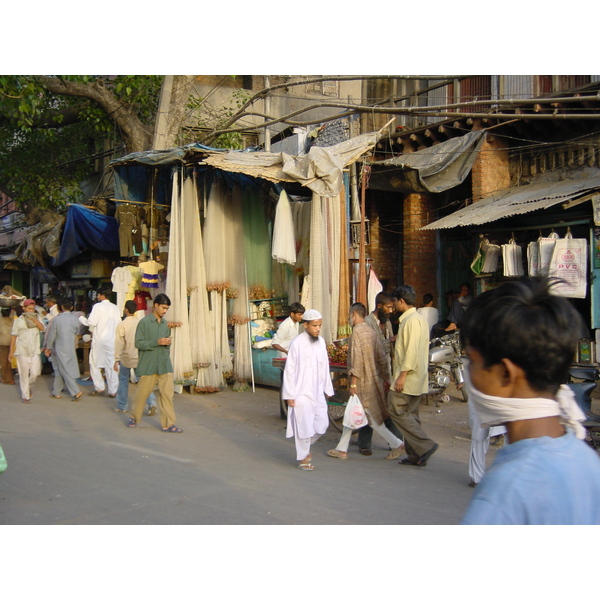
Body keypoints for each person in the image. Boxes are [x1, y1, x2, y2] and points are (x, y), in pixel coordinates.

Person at [460, 278, 600, 525]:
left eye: (472, 361)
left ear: (506, 374)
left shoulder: (506, 492)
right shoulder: (586, 460)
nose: (469, 373)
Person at [327, 303, 404, 461]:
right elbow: (382, 358)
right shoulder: (371, 331)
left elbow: (356, 360)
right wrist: (385, 378)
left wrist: (353, 383)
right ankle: (341, 448)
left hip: (361, 383)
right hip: (373, 380)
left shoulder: (357, 332)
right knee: (354, 414)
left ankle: (396, 444)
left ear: (354, 314)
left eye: (349, 315)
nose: (349, 318)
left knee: (370, 418)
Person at [388, 285, 438, 467]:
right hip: (414, 377)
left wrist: (402, 375)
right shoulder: (414, 320)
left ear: (401, 301)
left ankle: (425, 446)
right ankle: (415, 455)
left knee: (396, 409)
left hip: (408, 377)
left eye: (394, 302)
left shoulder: (412, 321)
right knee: (411, 415)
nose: (393, 306)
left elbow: (411, 352)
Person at [281, 309, 334, 471]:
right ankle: (303, 457)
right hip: (300, 393)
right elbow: (290, 371)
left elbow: (325, 367)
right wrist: (289, 394)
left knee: (322, 425)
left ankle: (303, 446)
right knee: (303, 426)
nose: (318, 329)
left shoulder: (321, 342)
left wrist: (327, 388)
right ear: (306, 325)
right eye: (315, 326)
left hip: (317, 391)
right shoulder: (297, 343)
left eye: (320, 325)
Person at [127, 293, 183, 433]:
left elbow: (167, 343)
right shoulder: (144, 323)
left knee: (167, 395)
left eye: (167, 309)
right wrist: (156, 342)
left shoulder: (165, 324)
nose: (165, 311)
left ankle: (169, 424)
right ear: (155, 305)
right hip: (148, 365)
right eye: (163, 307)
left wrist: (166, 344)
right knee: (142, 394)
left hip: (164, 364)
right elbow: (138, 343)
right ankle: (134, 417)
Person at [358, 292, 404, 455]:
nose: (392, 310)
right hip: (372, 373)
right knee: (370, 409)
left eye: (392, 307)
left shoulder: (388, 323)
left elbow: (390, 349)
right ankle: (364, 444)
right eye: (389, 307)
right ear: (379, 306)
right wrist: (390, 341)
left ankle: (396, 443)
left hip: (387, 372)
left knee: (388, 408)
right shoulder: (368, 323)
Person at [113, 300, 157, 415]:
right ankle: (151, 402)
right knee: (143, 382)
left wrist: (116, 359)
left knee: (123, 381)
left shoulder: (122, 325)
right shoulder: (141, 323)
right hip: (140, 357)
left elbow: (119, 343)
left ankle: (122, 405)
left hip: (126, 357)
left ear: (126, 310)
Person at [79, 287, 121, 397]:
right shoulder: (115, 307)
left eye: (98, 295)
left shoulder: (97, 307)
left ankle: (99, 388)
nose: (97, 297)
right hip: (112, 340)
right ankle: (113, 391)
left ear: (101, 295)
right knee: (111, 365)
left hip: (100, 341)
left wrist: (82, 319)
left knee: (94, 364)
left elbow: (91, 322)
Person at [43, 298, 83, 401]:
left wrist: (48, 347)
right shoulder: (75, 319)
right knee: (59, 369)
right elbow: (76, 332)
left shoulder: (57, 319)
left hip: (59, 347)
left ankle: (75, 391)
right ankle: (56, 392)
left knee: (63, 370)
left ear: (61, 307)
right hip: (70, 346)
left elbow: (52, 335)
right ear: (72, 307)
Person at [9, 299, 45, 403]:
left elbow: (43, 328)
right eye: (29, 309)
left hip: (34, 350)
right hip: (22, 350)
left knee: (35, 373)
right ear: (24, 308)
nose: (31, 311)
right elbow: (14, 336)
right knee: (23, 374)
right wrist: (11, 351)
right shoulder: (19, 321)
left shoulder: (38, 318)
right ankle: (26, 396)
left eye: (33, 309)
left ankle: (28, 386)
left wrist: (35, 320)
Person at [0, 308, 15, 385]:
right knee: (9, 362)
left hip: (2, 344)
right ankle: (8, 378)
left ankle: (6, 378)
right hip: (12, 344)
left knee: (4, 363)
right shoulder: (13, 321)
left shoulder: (1, 321)